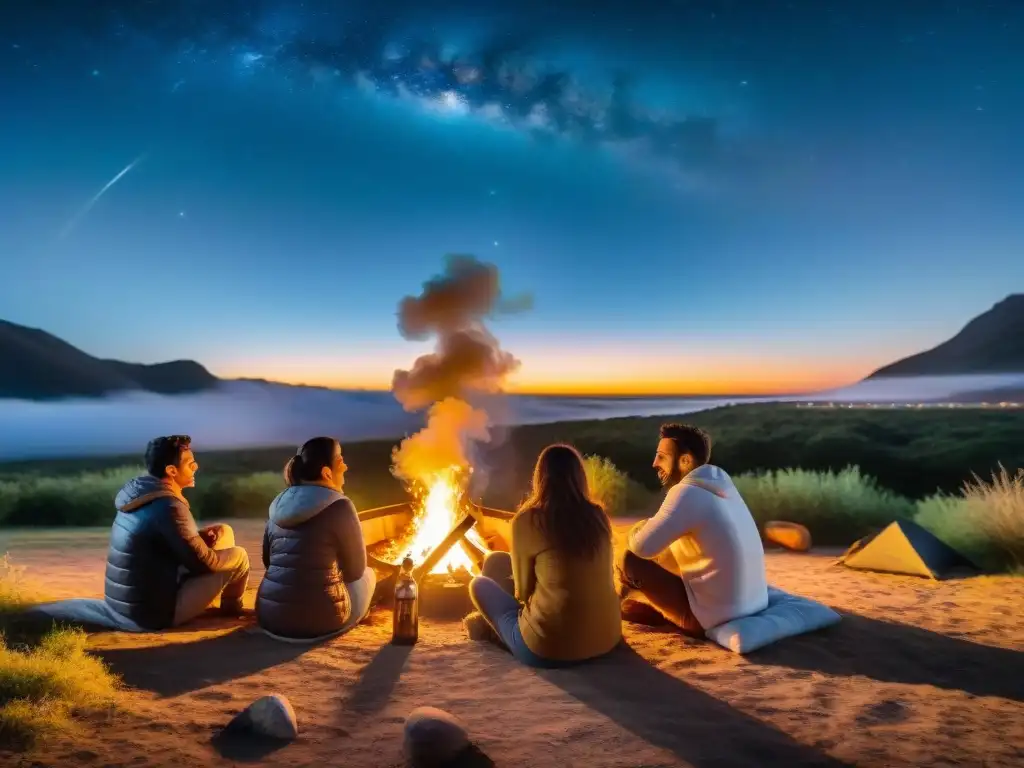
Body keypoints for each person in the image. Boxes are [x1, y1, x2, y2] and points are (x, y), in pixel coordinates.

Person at [468, 443, 622, 667]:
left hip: (547, 650)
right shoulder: (597, 515)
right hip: (607, 640)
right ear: (580, 477)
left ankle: (503, 634)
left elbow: (523, 592)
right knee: (495, 560)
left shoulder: (528, 520)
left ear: (540, 478)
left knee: (478, 585)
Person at [617, 423, 768, 636]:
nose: (654, 463)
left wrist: (636, 529)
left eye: (661, 456)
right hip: (751, 605)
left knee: (629, 559)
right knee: (660, 557)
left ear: (685, 460)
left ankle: (608, 609)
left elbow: (642, 547)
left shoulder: (686, 492)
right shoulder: (723, 487)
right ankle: (635, 608)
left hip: (711, 618)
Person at [105, 435, 251, 629]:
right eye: (190, 464)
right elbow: (205, 564)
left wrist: (198, 538)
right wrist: (221, 553)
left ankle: (228, 603)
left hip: (129, 604)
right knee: (239, 556)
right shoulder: (170, 506)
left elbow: (162, 540)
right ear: (172, 471)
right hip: (153, 615)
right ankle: (232, 608)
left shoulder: (142, 494)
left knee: (224, 531)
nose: (196, 467)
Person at [256, 436, 376, 641]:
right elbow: (355, 571)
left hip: (270, 618)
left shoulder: (279, 504)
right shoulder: (340, 505)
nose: (345, 467)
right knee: (369, 574)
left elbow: (269, 562)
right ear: (326, 473)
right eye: (340, 460)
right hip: (323, 621)